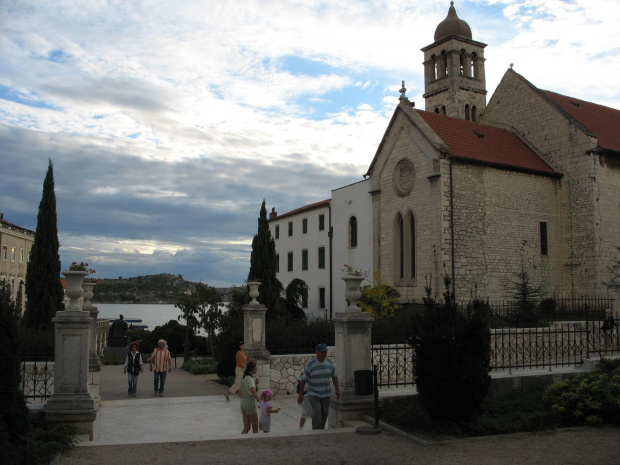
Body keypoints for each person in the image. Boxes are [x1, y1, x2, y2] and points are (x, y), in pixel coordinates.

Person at [297, 343, 340, 430]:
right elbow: (303, 380)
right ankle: (315, 430)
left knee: (324, 414)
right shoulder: (310, 364)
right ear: (317, 352)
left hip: (326, 394)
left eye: (325, 351)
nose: (324, 353)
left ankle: (321, 430)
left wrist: (337, 389)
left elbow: (334, 377)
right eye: (322, 352)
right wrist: (300, 395)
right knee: (317, 414)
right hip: (314, 394)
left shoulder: (329, 363)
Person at [240, 360, 261, 434]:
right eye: (256, 367)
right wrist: (260, 400)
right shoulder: (251, 380)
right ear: (253, 369)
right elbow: (253, 391)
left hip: (243, 403)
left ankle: (240, 441)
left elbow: (246, 388)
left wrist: (255, 383)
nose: (257, 368)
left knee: (246, 428)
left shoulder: (244, 378)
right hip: (249, 404)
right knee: (255, 428)